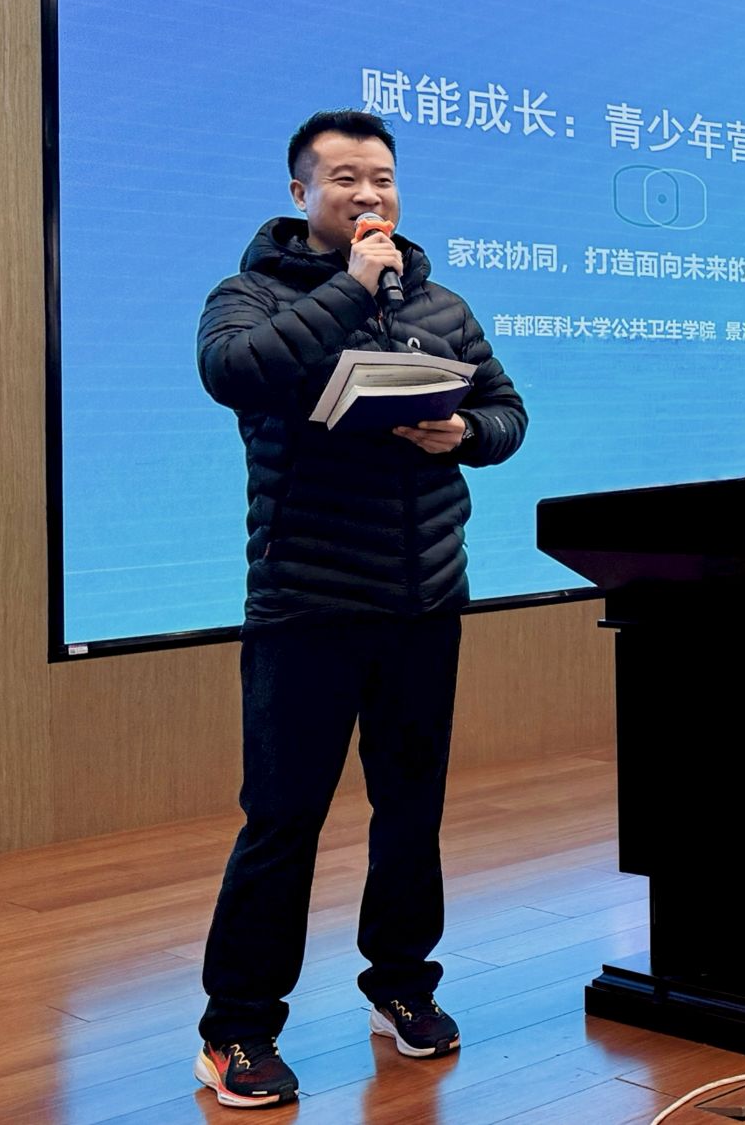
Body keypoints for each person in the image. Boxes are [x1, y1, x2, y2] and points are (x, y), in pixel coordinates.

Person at [191, 110, 527, 1109]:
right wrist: (350, 287)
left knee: (411, 809)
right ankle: (236, 1029)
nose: (368, 193)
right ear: (301, 193)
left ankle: (401, 984)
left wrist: (465, 431)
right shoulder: (249, 296)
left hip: (424, 601)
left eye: (381, 176)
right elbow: (233, 374)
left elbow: (509, 412)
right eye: (344, 178)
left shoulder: (443, 306)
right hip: (306, 604)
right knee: (283, 819)